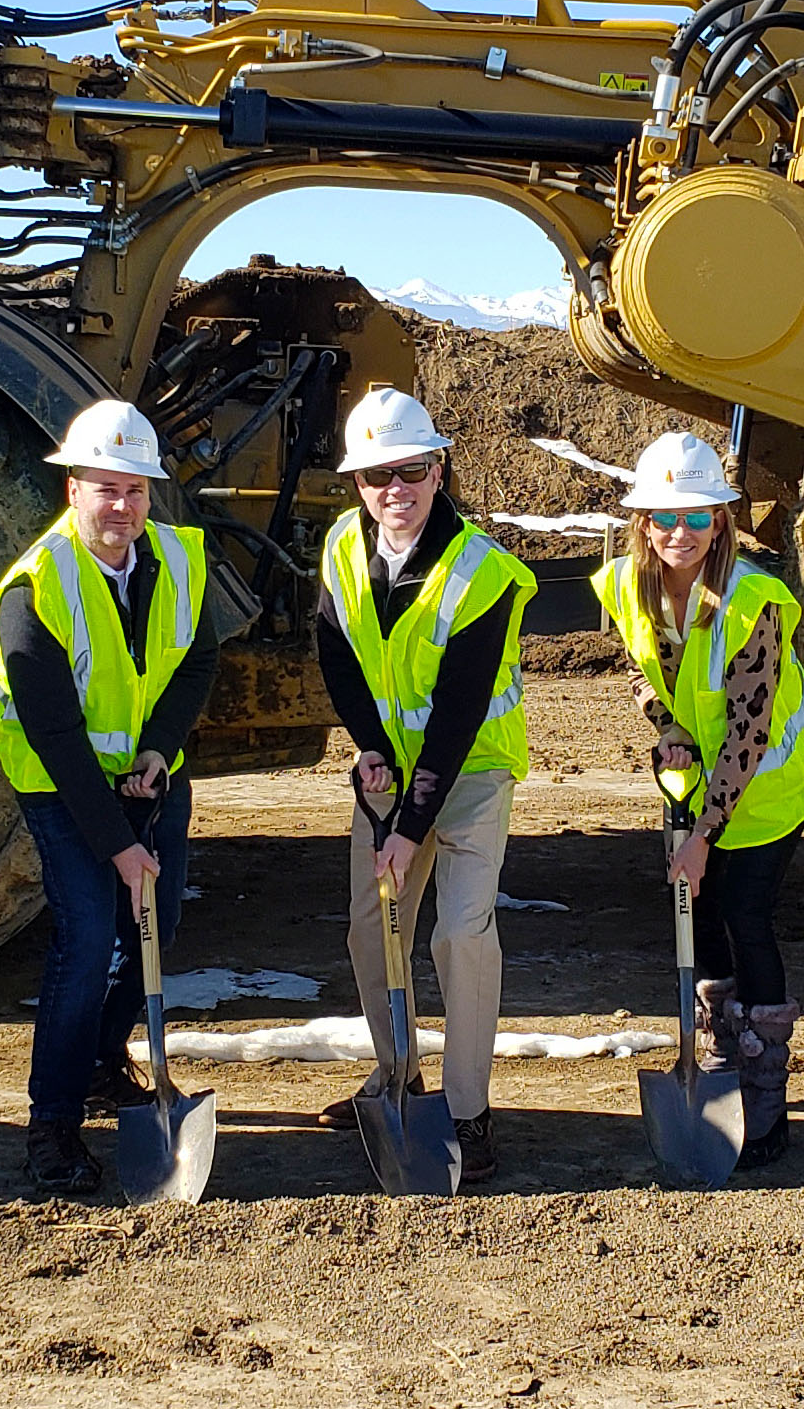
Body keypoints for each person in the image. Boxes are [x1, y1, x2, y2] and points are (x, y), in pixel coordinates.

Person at [0, 399, 227, 1195]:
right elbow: (53, 733)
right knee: (88, 936)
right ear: (72, 491)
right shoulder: (33, 589)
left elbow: (195, 662)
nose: (119, 506)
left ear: (149, 493)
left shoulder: (180, 560)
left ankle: (101, 1061)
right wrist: (119, 844)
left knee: (163, 920)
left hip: (151, 774)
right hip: (63, 785)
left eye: (132, 489)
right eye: (103, 489)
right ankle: (50, 1124)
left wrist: (158, 748)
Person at [311, 387, 535, 1185]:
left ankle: (468, 1110)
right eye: (374, 476)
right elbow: (337, 653)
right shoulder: (342, 546)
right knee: (372, 926)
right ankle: (397, 1071)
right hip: (390, 777)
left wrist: (408, 826)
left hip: (468, 771)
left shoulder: (485, 574)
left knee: (460, 936)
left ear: (438, 469)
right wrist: (370, 746)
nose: (391, 489)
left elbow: (456, 713)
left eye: (408, 469)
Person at [588, 432, 804, 1166]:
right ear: (642, 522)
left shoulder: (751, 600)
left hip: (768, 784)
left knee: (741, 912)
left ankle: (766, 1091)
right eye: (663, 518)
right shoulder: (625, 585)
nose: (678, 533)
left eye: (696, 517)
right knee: (704, 920)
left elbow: (749, 732)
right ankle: (721, 1057)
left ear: (720, 521)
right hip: (701, 779)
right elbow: (640, 668)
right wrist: (666, 728)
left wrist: (700, 837)